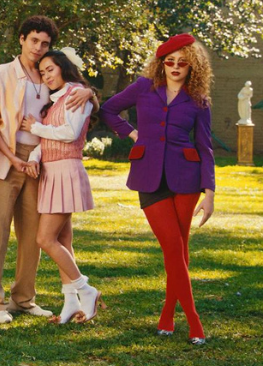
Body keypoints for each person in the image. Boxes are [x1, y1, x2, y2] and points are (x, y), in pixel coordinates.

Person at [100, 34, 214, 345]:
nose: (175, 67)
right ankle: (194, 320)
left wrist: (210, 192)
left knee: (180, 249)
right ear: (161, 63)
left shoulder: (198, 100)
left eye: (183, 63)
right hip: (149, 176)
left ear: (192, 67)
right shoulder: (143, 87)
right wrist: (132, 133)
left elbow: (205, 146)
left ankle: (167, 314)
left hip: (187, 179)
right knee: (172, 248)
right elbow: (108, 110)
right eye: (170, 61)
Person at [0, 15, 96, 324]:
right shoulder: (3, 73)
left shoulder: (49, 76)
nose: (38, 47)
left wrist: (90, 92)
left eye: (45, 43)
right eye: (33, 40)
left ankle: (23, 298)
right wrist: (13, 157)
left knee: (34, 234)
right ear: (21, 39)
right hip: (6, 158)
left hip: (40, 162)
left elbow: (75, 95)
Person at [20, 49, 100, 324]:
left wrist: (35, 128)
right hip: (51, 173)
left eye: (50, 69)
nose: (46, 76)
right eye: (42, 72)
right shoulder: (55, 102)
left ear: (63, 67)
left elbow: (69, 133)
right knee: (63, 240)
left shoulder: (77, 95)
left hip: (66, 171)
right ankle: (71, 302)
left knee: (45, 239)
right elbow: (47, 142)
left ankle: (86, 290)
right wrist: (34, 158)